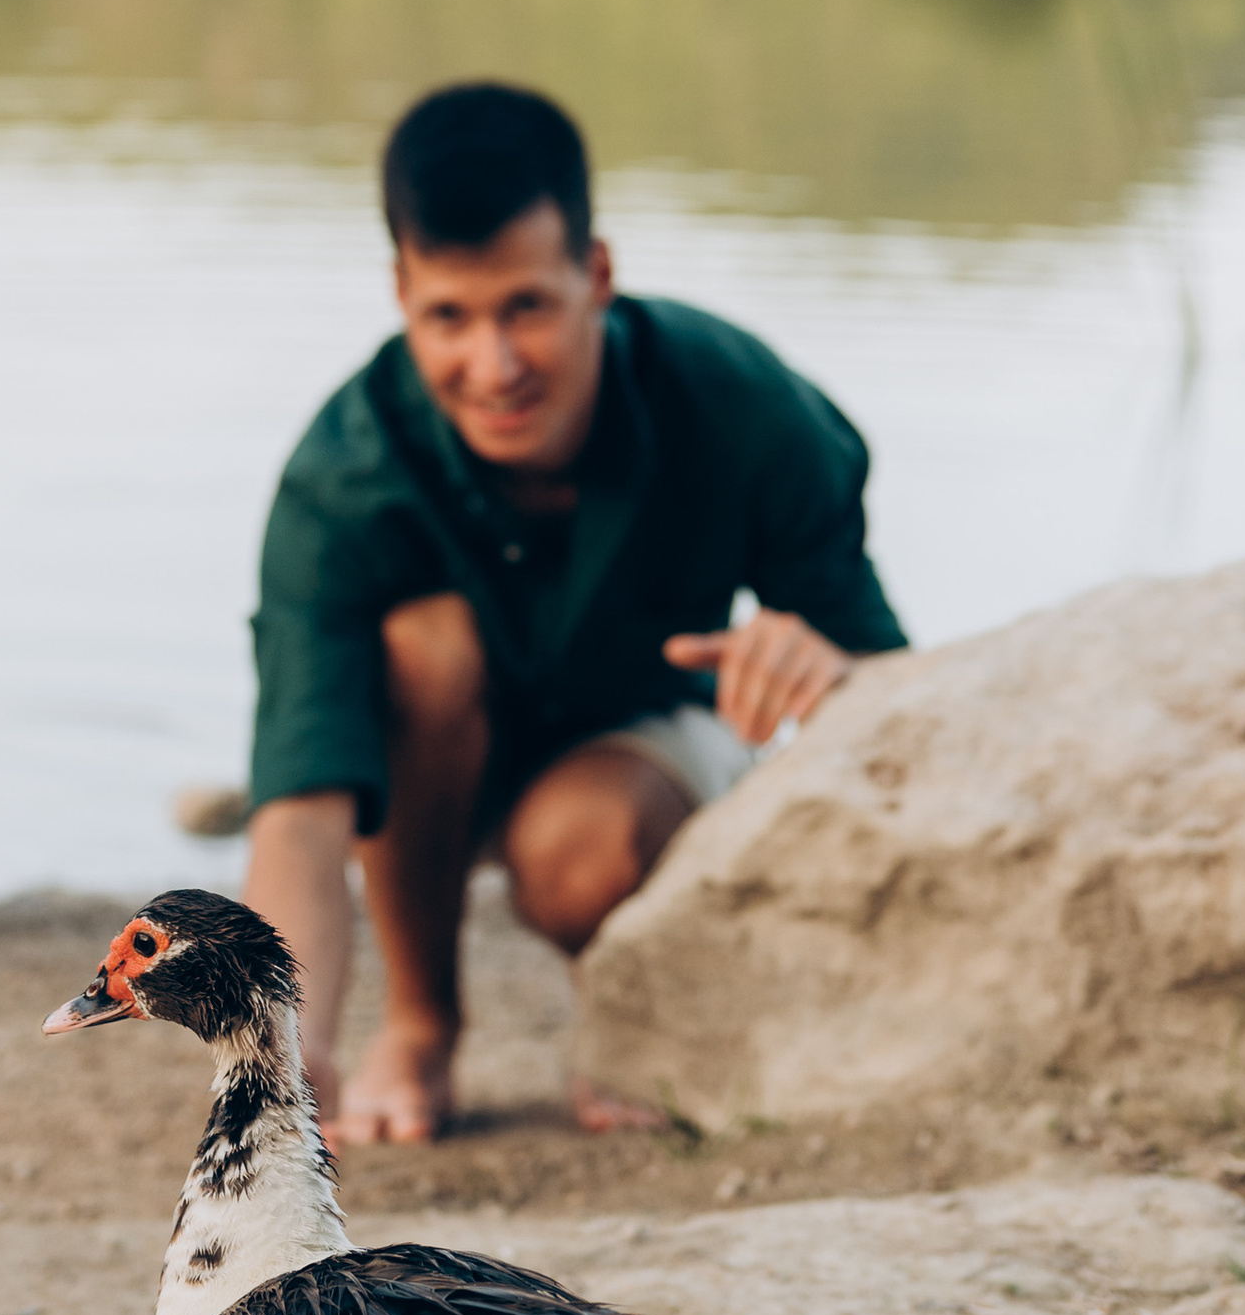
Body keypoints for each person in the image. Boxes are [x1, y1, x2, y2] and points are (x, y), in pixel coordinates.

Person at [243, 80, 904, 1143]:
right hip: (433, 772)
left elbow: (898, 703)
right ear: (400, 288)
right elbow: (300, 816)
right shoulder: (338, 480)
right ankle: (421, 1025)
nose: (493, 365)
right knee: (422, 645)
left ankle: (638, 1009)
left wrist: (821, 665)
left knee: (575, 848)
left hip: (639, 753)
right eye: (447, 316)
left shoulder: (739, 401)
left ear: (594, 274)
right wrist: (275, 1045)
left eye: (526, 307)